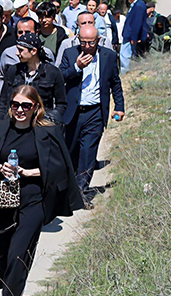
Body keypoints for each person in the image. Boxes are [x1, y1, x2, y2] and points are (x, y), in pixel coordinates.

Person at [0, 85, 83, 296]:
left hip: (32, 199)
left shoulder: (48, 132)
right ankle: (11, 287)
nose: (20, 110)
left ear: (36, 107)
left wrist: (29, 172)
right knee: (1, 257)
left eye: (26, 105)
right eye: (16, 105)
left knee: (19, 254)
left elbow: (59, 170)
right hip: (1, 200)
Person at [59, 25, 125, 199]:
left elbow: (115, 83)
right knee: (71, 151)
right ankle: (70, 188)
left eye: (91, 43)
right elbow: (60, 77)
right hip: (74, 112)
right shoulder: (71, 54)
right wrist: (77, 67)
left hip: (95, 112)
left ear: (98, 41)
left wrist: (119, 106)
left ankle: (81, 191)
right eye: (83, 42)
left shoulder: (108, 56)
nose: (87, 46)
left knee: (88, 152)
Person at [0, 33, 67, 121]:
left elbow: (61, 104)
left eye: (20, 50)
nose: (17, 53)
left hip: (41, 124)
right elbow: (2, 102)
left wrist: (49, 118)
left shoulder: (52, 73)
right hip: (15, 122)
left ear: (33, 51)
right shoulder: (13, 71)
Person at [0, 18, 56, 95]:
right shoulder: (8, 53)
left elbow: (53, 78)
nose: (23, 35)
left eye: (27, 32)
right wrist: (4, 96)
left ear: (36, 32)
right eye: (20, 32)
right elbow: (0, 77)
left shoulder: (47, 53)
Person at [121, 0, 150, 73]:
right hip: (130, 36)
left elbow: (137, 23)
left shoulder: (138, 5)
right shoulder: (137, 5)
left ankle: (125, 73)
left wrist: (134, 37)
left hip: (130, 36)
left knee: (124, 55)